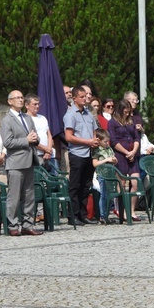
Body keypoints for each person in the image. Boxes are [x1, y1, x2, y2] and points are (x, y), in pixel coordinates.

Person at [1, 90, 44, 236]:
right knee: (14, 196)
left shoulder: (27, 117)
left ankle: (28, 224)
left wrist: (35, 138)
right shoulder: (6, 120)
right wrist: (26, 140)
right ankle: (13, 225)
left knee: (29, 195)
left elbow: (34, 136)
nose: (20, 100)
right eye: (17, 98)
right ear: (10, 101)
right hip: (15, 162)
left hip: (30, 160)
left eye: (21, 97)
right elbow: (7, 142)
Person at [64, 86, 100, 226]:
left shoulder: (88, 113)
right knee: (75, 185)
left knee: (86, 185)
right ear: (74, 99)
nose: (85, 99)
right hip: (77, 153)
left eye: (86, 96)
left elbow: (95, 129)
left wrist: (95, 140)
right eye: (82, 97)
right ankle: (72, 215)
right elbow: (69, 136)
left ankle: (83, 214)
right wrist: (87, 142)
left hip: (89, 153)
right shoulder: (70, 114)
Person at [108, 98, 142, 221]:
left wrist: (133, 151)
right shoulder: (112, 122)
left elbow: (137, 138)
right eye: (125, 112)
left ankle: (132, 210)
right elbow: (113, 140)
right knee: (121, 183)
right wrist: (126, 152)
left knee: (136, 182)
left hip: (132, 153)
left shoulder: (130, 122)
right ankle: (120, 209)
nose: (127, 114)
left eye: (129, 112)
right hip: (120, 154)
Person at [25, 95, 57, 173]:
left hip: (48, 155)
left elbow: (49, 135)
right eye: (34, 104)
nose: (37, 106)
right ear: (27, 105)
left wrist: (48, 150)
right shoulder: (25, 119)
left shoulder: (43, 118)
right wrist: (45, 149)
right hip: (35, 155)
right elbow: (30, 139)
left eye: (38, 104)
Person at [92, 129, 118, 225]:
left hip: (111, 175)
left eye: (108, 141)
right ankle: (102, 216)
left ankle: (107, 215)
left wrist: (114, 160)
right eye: (105, 141)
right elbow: (95, 164)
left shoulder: (109, 148)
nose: (107, 143)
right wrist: (106, 160)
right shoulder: (97, 150)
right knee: (104, 195)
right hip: (102, 175)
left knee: (110, 196)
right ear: (99, 141)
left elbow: (114, 159)